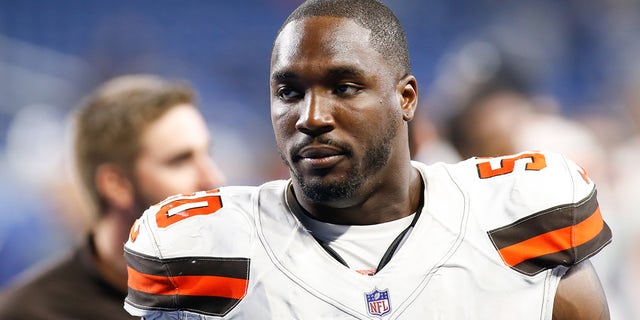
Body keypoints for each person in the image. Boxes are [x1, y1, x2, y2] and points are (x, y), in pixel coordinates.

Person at [123, 1, 612, 319]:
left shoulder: (526, 218)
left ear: (406, 99)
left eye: (344, 87)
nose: (310, 117)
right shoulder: (202, 251)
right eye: (289, 91)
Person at [0, 74, 225, 319]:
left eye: (207, 153)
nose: (213, 178)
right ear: (116, 184)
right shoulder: (27, 312)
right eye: (180, 160)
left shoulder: (245, 294)